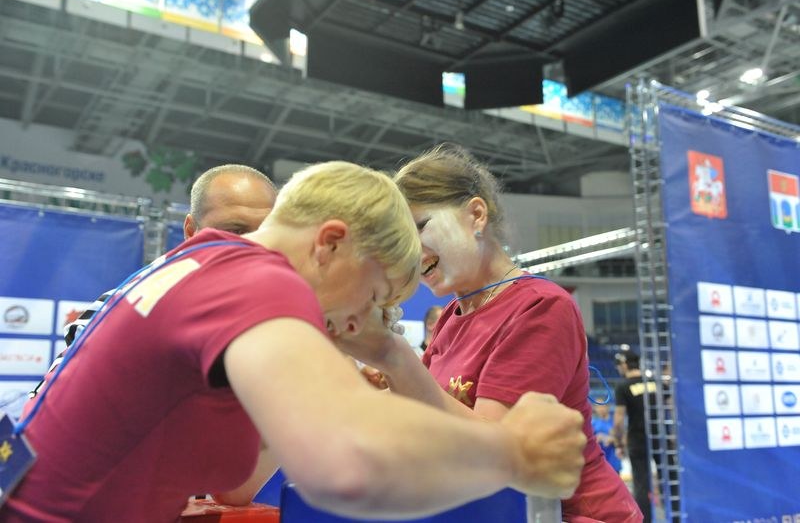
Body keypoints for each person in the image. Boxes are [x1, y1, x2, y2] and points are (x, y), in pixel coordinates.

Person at [2, 161, 587, 522]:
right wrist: (513, 453)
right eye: (374, 293)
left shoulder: (209, 263)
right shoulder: (259, 281)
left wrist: (365, 358)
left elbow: (235, 484)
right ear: (330, 244)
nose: (366, 317)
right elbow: (345, 465)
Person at [349, 144, 640, 522]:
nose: (408, 252)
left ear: (476, 215)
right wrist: (386, 388)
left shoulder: (540, 308)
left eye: (419, 227)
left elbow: (495, 450)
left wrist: (394, 356)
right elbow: (433, 413)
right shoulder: (454, 314)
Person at [25, 163, 278, 403]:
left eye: (265, 231)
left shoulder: (289, 310)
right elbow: (43, 409)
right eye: (235, 231)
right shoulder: (122, 304)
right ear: (191, 231)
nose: (253, 245)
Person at [612, 352, 659, 523]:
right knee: (667, 479)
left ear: (624, 365)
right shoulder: (653, 382)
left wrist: (618, 442)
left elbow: (618, 419)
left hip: (637, 439)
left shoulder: (623, 386)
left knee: (640, 484)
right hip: (659, 436)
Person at [591, 402, 621, 474]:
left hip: (614, 463)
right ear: (595, 408)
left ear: (608, 407)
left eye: (602, 406)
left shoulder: (615, 422)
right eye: (598, 406)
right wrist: (597, 438)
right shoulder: (593, 424)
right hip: (599, 464)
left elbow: (623, 440)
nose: (600, 409)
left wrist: (611, 439)